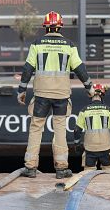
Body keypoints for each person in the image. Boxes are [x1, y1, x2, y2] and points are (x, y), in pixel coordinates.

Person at [17, 11, 94, 179]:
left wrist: (21, 90)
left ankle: (30, 167)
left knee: (36, 128)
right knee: (59, 130)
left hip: (41, 95)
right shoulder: (69, 46)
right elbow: (80, 69)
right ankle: (61, 168)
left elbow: (27, 69)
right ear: (60, 27)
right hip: (61, 95)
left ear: (46, 27)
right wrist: (90, 88)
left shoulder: (37, 44)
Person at [73, 84, 110, 172]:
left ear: (90, 96)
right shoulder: (109, 110)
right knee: (108, 172)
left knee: (88, 173)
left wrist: (77, 144)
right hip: (105, 147)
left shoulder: (84, 111)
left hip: (90, 148)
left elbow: (77, 130)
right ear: (102, 95)